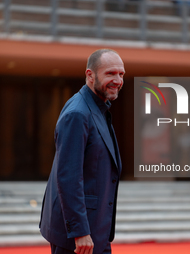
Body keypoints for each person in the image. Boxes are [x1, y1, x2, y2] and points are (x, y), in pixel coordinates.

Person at [39, 49, 125, 254]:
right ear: (90, 75)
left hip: (95, 231)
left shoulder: (98, 108)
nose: (118, 80)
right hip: (78, 239)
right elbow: (68, 176)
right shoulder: (78, 113)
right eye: (110, 73)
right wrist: (79, 231)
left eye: (121, 74)